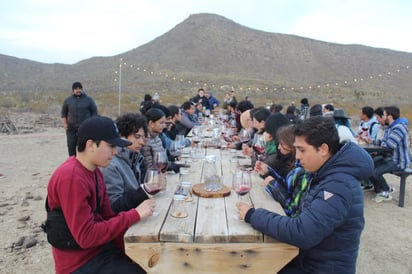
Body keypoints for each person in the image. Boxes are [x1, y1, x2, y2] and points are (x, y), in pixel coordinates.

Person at [237, 116, 374, 274]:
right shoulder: (324, 173)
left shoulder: (338, 186)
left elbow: (302, 232)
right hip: (306, 259)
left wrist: (252, 215)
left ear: (323, 149)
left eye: (302, 150)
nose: (297, 156)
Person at [46, 115, 155, 273]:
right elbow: (86, 236)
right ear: (91, 145)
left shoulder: (95, 171)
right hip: (78, 262)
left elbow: (108, 216)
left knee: (149, 263)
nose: (115, 151)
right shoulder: (71, 177)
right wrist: (135, 214)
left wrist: (128, 251)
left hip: (100, 249)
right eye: (111, 145)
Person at [100, 113, 151, 214]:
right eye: (137, 137)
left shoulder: (134, 157)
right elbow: (114, 206)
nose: (142, 142)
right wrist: (145, 191)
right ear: (121, 136)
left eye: (143, 137)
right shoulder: (111, 164)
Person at [368, 106, 410, 202]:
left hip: (399, 161)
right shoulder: (390, 128)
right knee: (369, 165)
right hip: (390, 158)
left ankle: (385, 192)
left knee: (375, 172)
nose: (383, 117)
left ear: (390, 116)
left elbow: (390, 145)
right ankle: (384, 189)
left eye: (384, 115)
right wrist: (372, 141)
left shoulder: (399, 128)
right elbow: (384, 141)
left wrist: (382, 142)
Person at [61, 81, 98, 156]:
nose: (78, 90)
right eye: (76, 89)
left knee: (83, 147)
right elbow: (64, 113)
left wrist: (92, 124)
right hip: (71, 128)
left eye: (80, 88)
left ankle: (83, 163)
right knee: (71, 146)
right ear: (73, 90)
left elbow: (94, 112)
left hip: (85, 128)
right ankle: (72, 162)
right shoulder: (68, 100)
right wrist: (65, 124)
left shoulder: (89, 100)